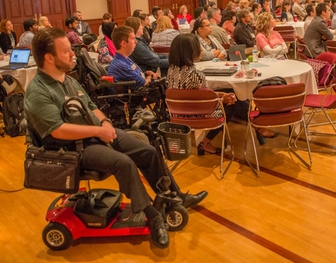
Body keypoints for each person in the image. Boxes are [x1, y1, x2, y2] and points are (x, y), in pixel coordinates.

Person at [23, 27, 207, 249]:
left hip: (95, 133)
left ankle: (171, 194)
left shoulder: (67, 80)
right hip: (70, 148)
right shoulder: (37, 91)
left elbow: (91, 107)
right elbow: (58, 130)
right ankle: (152, 215)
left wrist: (105, 123)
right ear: (49, 57)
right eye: (66, 51)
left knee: (147, 150)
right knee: (124, 163)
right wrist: (98, 131)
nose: (73, 54)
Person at [166, 33, 254, 154]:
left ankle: (255, 125)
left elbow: (199, 94)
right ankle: (206, 141)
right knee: (232, 102)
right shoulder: (195, 74)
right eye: (198, 46)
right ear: (190, 51)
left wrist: (221, 95)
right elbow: (207, 102)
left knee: (229, 93)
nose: (201, 49)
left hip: (178, 114)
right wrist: (223, 99)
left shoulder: (171, 70)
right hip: (198, 115)